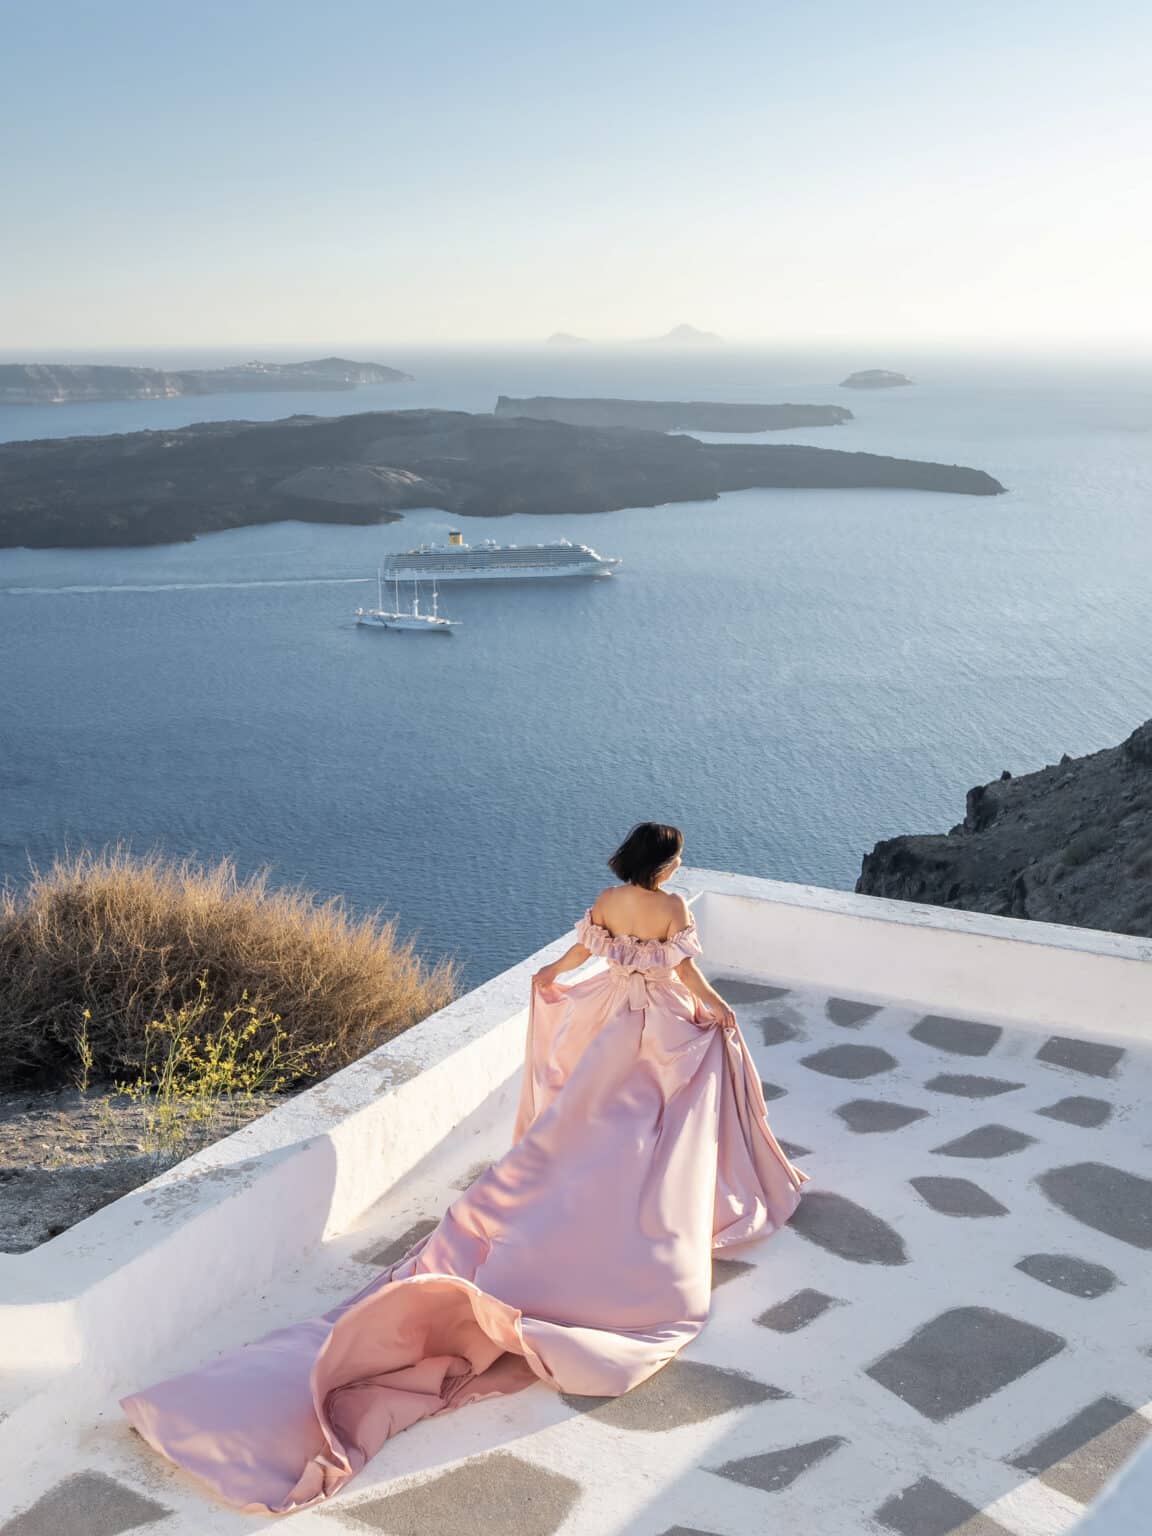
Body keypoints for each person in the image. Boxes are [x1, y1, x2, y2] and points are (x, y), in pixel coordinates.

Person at [121, 822, 808, 1516]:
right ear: (666, 862)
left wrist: (550, 979)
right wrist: (719, 1014)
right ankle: (633, 1207)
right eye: (677, 857)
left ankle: (581, 1196)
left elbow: (576, 956)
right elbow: (682, 974)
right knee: (655, 1117)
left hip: (608, 1019)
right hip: (656, 1022)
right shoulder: (674, 909)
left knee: (585, 1117)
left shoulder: (607, 899)